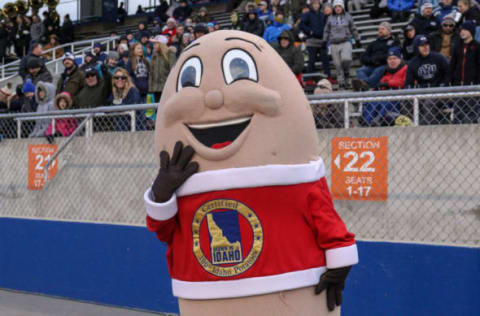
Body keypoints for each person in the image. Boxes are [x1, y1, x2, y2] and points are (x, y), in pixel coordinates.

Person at [406, 35, 450, 124]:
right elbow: (408, 83)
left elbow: (448, 74)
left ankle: (427, 127)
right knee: (405, 102)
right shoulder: (412, 63)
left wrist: (444, 86)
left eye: (427, 45)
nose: (425, 47)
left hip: (440, 92)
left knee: (428, 102)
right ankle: (410, 126)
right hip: (422, 93)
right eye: (422, 45)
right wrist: (410, 94)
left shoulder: (438, 58)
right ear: (416, 47)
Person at [362, 47, 407, 126]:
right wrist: (374, 89)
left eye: (394, 58)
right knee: (372, 101)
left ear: (400, 59)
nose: (392, 61)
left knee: (385, 101)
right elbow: (381, 85)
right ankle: (366, 122)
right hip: (386, 96)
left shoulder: (406, 68)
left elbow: (404, 82)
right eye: (389, 59)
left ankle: (378, 120)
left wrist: (388, 84)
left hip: (400, 98)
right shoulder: (386, 72)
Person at [323, 0, 361, 89]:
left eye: (339, 6)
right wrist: (324, 40)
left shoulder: (348, 16)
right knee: (337, 64)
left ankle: (347, 72)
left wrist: (357, 39)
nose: (337, 8)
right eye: (335, 7)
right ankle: (342, 82)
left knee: (346, 59)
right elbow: (326, 30)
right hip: (334, 43)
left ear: (342, 7)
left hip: (345, 41)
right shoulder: (330, 18)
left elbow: (353, 28)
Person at [353, 22, 400, 90]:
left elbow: (393, 54)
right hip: (372, 65)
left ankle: (366, 84)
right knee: (360, 70)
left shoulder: (394, 42)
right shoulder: (373, 43)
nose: (380, 31)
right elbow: (363, 57)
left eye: (383, 29)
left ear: (389, 31)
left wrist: (378, 59)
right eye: (379, 29)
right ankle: (365, 84)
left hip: (385, 64)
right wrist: (371, 60)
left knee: (378, 71)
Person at [449, 21, 480, 123]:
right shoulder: (457, 47)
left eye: (465, 30)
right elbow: (452, 65)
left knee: (471, 114)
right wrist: (451, 80)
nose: (462, 32)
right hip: (458, 86)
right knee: (457, 115)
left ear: (471, 31)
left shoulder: (477, 47)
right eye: (461, 30)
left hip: (473, 86)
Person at [300, 0, 331, 80]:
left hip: (322, 41)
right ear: (311, 5)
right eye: (314, 4)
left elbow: (327, 26)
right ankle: (308, 79)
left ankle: (328, 77)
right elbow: (302, 25)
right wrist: (310, 31)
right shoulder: (307, 14)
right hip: (312, 41)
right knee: (311, 60)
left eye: (317, 3)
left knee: (325, 59)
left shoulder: (322, 15)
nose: (316, 5)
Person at [149, 35, 176, 103]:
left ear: (161, 44)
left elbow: (173, 72)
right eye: (153, 44)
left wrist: (171, 87)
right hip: (156, 90)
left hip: (167, 88)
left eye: (155, 43)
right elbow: (151, 73)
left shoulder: (170, 54)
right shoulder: (154, 56)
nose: (153, 46)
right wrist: (151, 87)